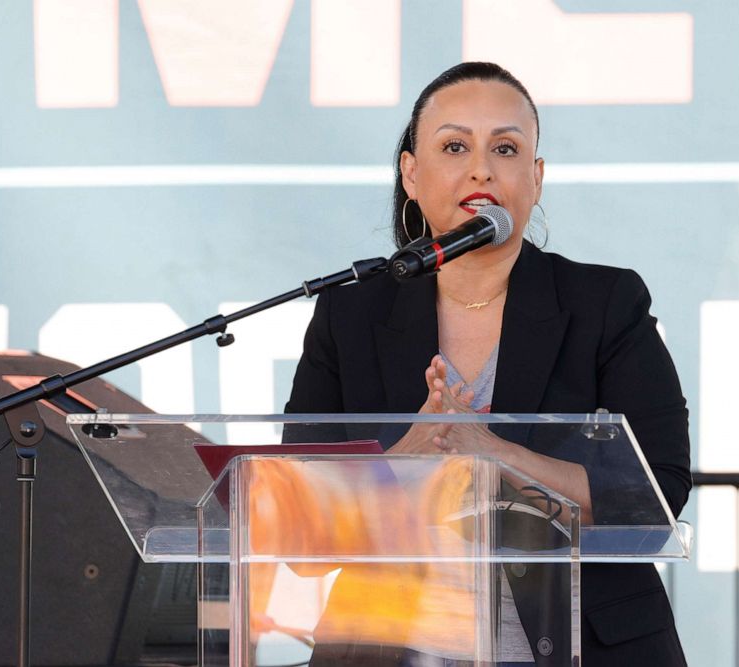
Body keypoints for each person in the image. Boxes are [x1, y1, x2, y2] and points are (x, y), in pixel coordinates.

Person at [286, 61, 691, 666]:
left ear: (535, 177)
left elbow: (655, 493)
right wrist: (412, 454)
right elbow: (301, 531)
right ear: (412, 174)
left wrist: (492, 450)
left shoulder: (606, 304)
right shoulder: (350, 315)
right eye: (455, 146)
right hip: (388, 646)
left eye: (505, 148)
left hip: (582, 645)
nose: (481, 167)